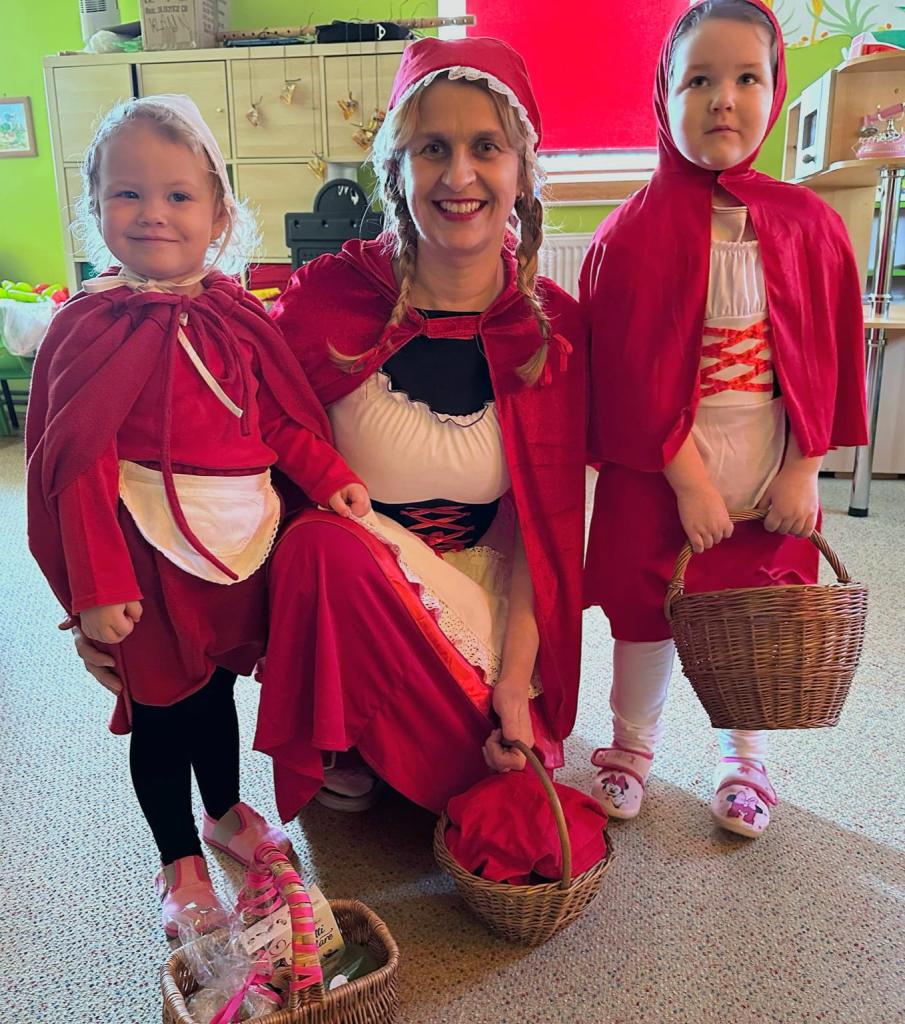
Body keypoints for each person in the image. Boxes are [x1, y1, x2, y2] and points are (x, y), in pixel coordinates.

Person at [25, 95, 367, 935]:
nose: (153, 213)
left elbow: (276, 418)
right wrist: (96, 588)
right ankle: (178, 860)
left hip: (235, 546)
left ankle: (223, 812)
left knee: (213, 692)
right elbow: (77, 465)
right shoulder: (87, 327)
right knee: (159, 713)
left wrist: (328, 476)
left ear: (218, 214)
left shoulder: (239, 316)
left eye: (178, 195)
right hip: (141, 560)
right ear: (95, 206)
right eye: (127, 193)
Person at [253, 36, 587, 819]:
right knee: (322, 543)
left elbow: (546, 533)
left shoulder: (553, 332)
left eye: (486, 148)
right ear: (396, 170)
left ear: (521, 171)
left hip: (480, 607)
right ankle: (344, 730)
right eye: (432, 148)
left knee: (507, 783)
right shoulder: (327, 300)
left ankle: (441, 738)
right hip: (354, 610)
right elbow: (238, 439)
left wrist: (514, 686)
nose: (459, 176)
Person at [581, 0, 867, 837]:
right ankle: (630, 748)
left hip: (769, 460)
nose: (723, 100)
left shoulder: (812, 225)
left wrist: (804, 468)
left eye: (746, 77)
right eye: (697, 80)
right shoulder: (627, 235)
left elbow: (826, 356)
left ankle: (744, 759)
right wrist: (686, 481)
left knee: (753, 615)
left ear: (773, 91)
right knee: (646, 613)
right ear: (663, 95)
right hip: (662, 466)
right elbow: (622, 375)